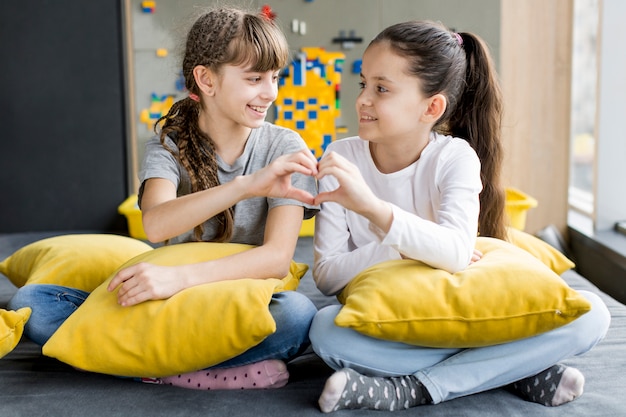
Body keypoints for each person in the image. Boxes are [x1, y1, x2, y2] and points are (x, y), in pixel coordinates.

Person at [9, 6, 319, 390]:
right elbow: (155, 223)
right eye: (255, 78)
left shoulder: (284, 146)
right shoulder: (169, 145)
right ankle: (199, 370)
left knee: (298, 315)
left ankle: (166, 370)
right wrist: (245, 186)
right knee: (35, 303)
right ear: (206, 79)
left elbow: (276, 260)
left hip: (231, 301)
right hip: (172, 307)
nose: (270, 92)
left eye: (274, 77)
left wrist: (177, 277)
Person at [308, 20, 611, 412]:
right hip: (395, 318)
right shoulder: (343, 157)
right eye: (363, 83)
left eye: (381, 89)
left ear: (432, 107)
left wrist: (372, 208)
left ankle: (414, 389)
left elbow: (452, 254)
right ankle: (512, 369)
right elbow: (328, 276)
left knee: (593, 314)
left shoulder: (455, 158)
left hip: (459, 313)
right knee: (326, 331)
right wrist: (409, 251)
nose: (363, 99)